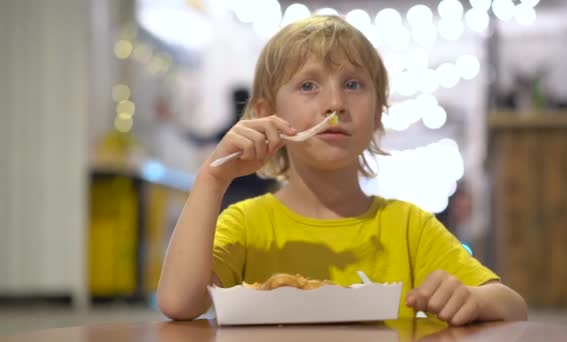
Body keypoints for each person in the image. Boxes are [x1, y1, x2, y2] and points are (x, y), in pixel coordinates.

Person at [157, 15, 528, 325]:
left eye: (353, 84)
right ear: (266, 113)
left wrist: (472, 300)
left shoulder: (409, 228)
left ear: (378, 112)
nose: (335, 104)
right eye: (308, 85)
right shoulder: (246, 225)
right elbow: (178, 303)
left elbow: (513, 306)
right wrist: (212, 178)